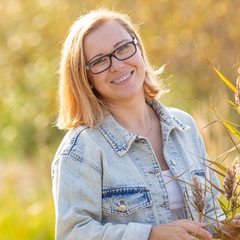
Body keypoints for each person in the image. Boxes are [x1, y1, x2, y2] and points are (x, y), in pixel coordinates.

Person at [51, 8, 239, 240]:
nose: (117, 65)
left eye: (123, 48)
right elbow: (72, 234)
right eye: (99, 61)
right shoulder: (82, 149)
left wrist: (226, 228)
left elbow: (210, 218)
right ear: (85, 78)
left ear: (138, 48)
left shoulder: (184, 126)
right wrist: (150, 235)